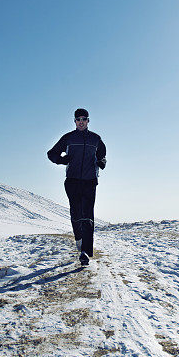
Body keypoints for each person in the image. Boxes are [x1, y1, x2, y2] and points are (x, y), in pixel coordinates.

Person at [47, 108, 107, 266]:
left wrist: (102, 163)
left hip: (90, 181)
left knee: (87, 216)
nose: (81, 121)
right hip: (72, 181)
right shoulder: (68, 138)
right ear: (74, 121)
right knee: (76, 213)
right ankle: (79, 241)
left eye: (84, 119)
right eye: (78, 119)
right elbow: (51, 153)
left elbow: (103, 154)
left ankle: (85, 252)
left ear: (88, 121)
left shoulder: (95, 138)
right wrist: (62, 160)